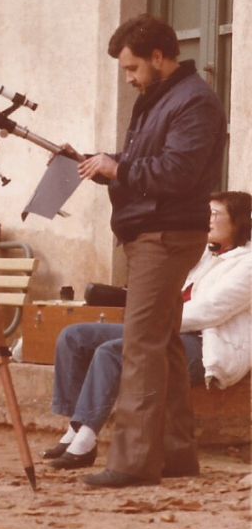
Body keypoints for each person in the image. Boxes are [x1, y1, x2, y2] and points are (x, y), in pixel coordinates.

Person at [76, 14, 228, 488]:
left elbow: (177, 172)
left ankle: (133, 462)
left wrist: (118, 170)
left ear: (159, 57)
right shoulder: (160, 97)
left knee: (140, 346)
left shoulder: (194, 102)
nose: (129, 78)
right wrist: (106, 164)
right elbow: (151, 163)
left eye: (133, 68)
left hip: (165, 236)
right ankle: (176, 453)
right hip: (153, 233)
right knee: (161, 344)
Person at [47, 191, 251, 471]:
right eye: (207, 212)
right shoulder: (202, 254)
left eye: (215, 214)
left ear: (239, 222)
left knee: (113, 351)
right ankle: (76, 425)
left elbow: (209, 311)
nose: (208, 220)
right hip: (163, 328)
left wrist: (150, 323)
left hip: (204, 344)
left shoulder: (248, 264)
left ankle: (86, 438)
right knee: (75, 337)